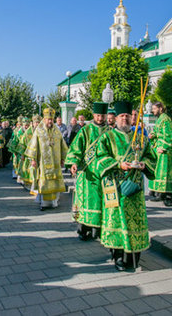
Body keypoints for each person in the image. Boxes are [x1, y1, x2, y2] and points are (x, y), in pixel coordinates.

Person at [91, 100, 156, 271]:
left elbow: (151, 158)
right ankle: (118, 255)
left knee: (135, 222)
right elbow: (100, 159)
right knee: (117, 221)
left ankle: (134, 256)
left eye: (127, 116)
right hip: (115, 187)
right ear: (117, 118)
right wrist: (119, 165)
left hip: (135, 188)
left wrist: (144, 165)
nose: (125, 118)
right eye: (122, 116)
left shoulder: (140, 138)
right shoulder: (108, 137)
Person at [65, 102, 110, 241]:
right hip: (87, 174)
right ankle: (83, 231)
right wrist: (74, 162)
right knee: (85, 202)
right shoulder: (85, 130)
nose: (100, 118)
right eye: (98, 115)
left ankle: (98, 231)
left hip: (103, 174)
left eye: (102, 116)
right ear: (94, 115)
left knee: (101, 202)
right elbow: (76, 148)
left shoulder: (110, 132)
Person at [25, 108, 68, 211]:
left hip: (56, 162)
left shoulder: (57, 131)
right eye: (48, 119)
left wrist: (63, 159)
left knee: (55, 182)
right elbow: (33, 146)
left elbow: (63, 145)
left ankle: (54, 203)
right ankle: (43, 204)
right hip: (42, 162)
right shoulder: (39, 131)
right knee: (44, 182)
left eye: (51, 119)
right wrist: (33, 160)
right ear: (44, 119)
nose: (50, 121)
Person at [148, 102, 172, 206]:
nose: (153, 111)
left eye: (155, 109)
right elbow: (158, 132)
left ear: (160, 108)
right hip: (159, 148)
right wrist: (153, 135)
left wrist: (164, 147)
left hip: (165, 150)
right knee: (158, 171)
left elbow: (168, 135)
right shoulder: (160, 118)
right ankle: (158, 192)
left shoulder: (165, 119)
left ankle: (165, 194)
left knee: (164, 173)